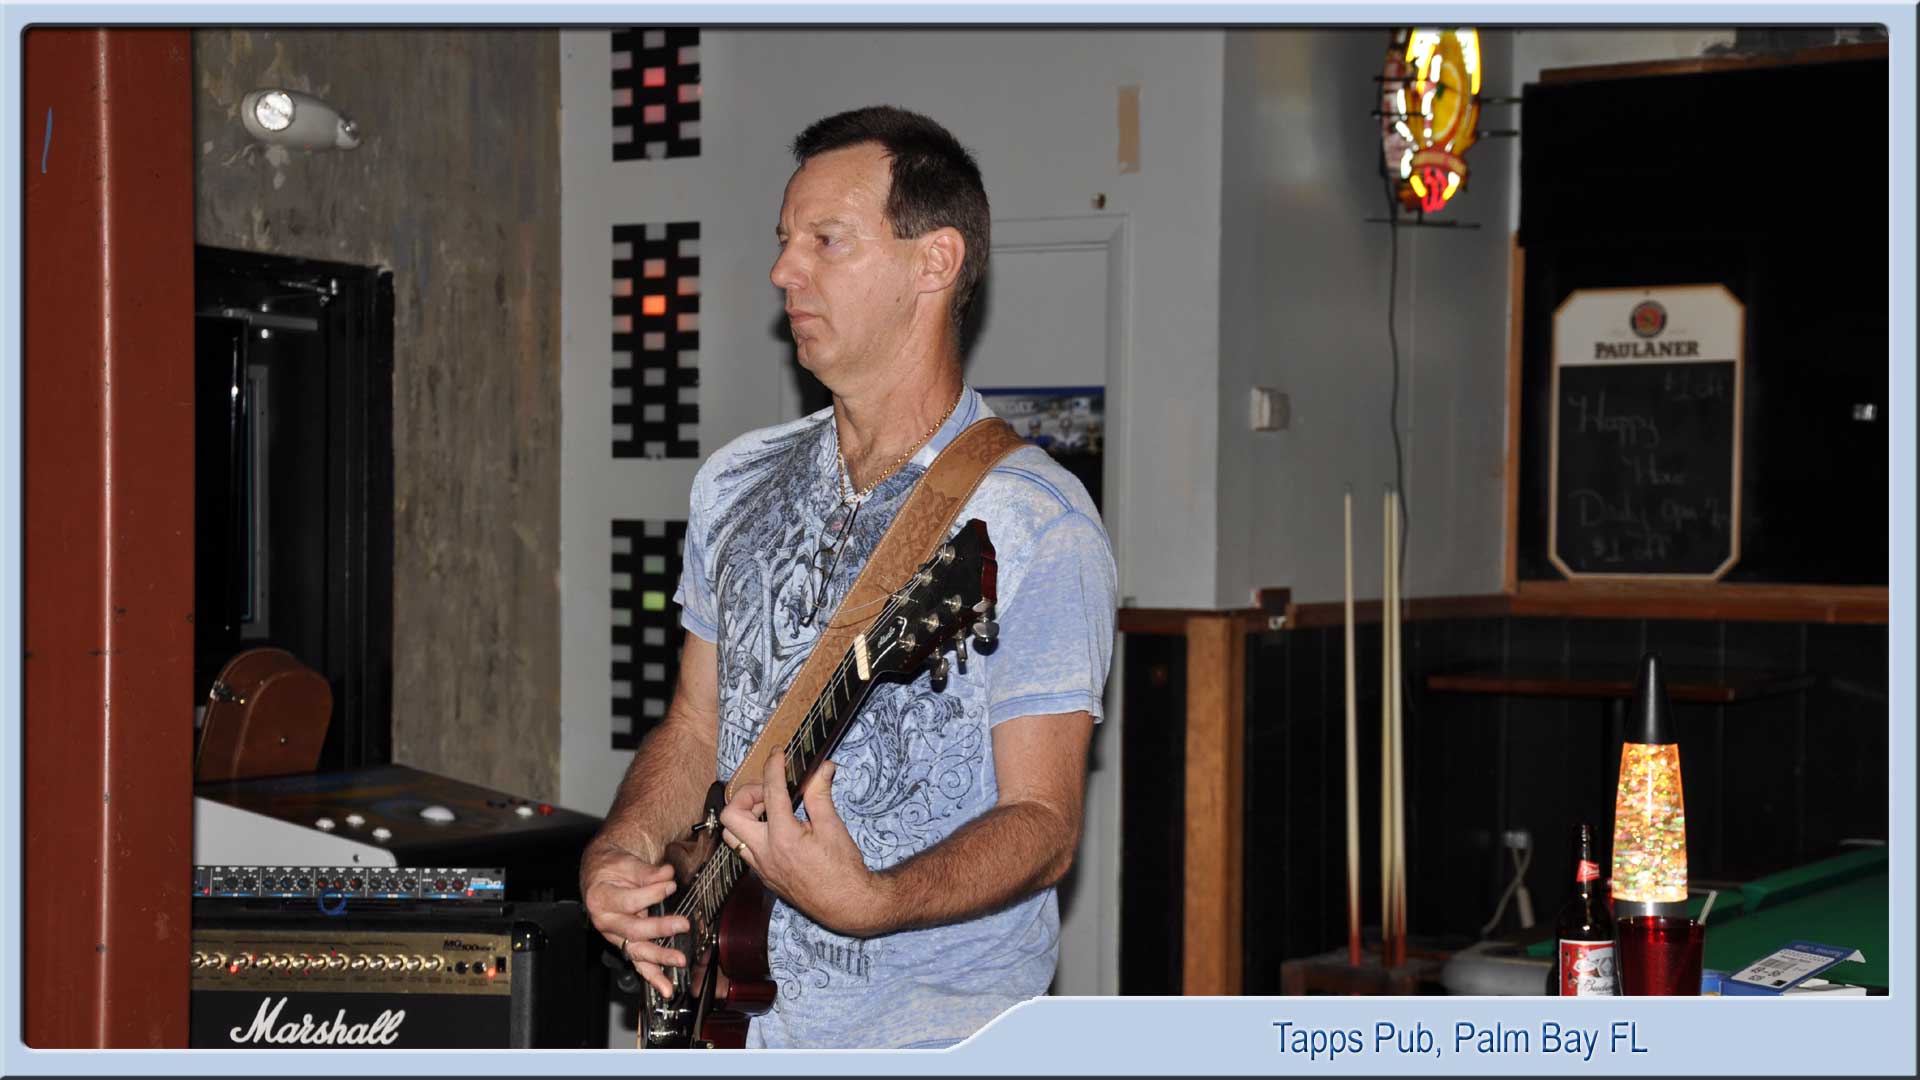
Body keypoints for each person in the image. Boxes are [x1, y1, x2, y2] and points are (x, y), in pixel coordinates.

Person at [579, 105, 1117, 1050]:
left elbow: (1042, 823)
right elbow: (696, 725)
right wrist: (623, 852)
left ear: (934, 261)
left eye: (827, 240)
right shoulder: (734, 483)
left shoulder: (1038, 522)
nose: (784, 271)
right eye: (785, 241)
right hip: (724, 1023)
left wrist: (876, 899)